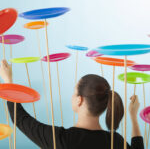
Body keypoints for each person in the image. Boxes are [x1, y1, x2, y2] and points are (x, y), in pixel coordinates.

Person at [0, 60, 144, 149]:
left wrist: (8, 81)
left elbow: (20, 119)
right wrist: (133, 117)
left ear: (79, 100)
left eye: (74, 92)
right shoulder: (116, 142)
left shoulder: (60, 139)